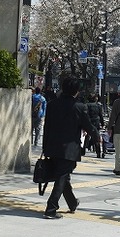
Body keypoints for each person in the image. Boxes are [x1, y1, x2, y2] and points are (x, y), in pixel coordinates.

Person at [42, 77, 99, 219]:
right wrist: (97, 136)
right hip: (69, 149)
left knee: (64, 176)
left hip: (53, 146)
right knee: (62, 177)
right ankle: (51, 208)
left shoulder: (52, 104)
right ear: (76, 91)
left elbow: (47, 126)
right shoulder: (79, 107)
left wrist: (45, 147)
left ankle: (72, 203)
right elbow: (88, 125)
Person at [86, 94, 105, 158]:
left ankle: (84, 149)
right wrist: (102, 124)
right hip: (96, 122)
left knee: (86, 136)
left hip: (88, 122)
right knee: (96, 138)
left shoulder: (86, 105)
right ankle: (98, 152)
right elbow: (101, 115)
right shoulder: (98, 106)